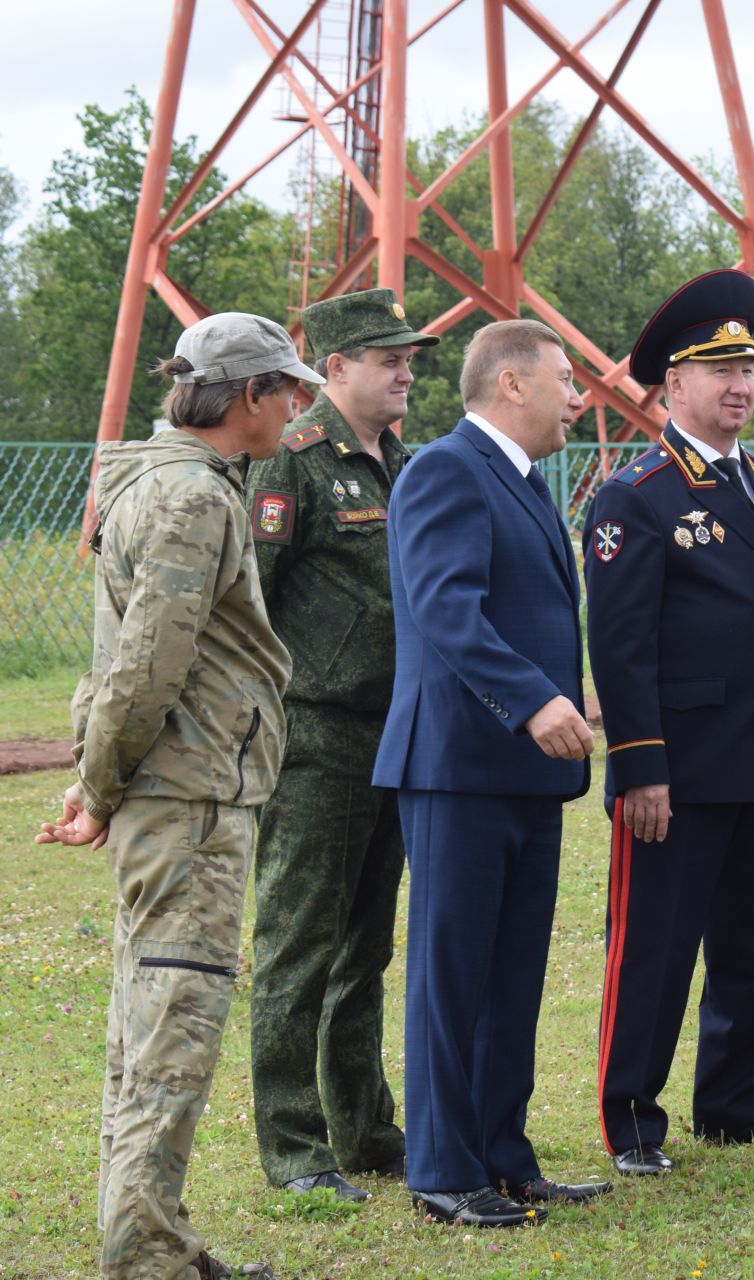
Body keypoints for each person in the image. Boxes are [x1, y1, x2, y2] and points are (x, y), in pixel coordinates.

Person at [39, 313, 318, 1279]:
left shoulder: (153, 482)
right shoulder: (194, 499)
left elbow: (121, 660)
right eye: (290, 389)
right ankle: (148, 1260)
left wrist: (100, 780)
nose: (297, 407)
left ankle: (149, 1242)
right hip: (189, 797)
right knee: (173, 1037)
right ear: (248, 396)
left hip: (174, 790)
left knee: (144, 1033)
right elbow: (147, 664)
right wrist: (100, 782)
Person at [584, 269, 754, 1174]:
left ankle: (735, 1103)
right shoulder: (637, 496)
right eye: (718, 369)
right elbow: (620, 650)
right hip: (680, 770)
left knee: (752, 944)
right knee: (654, 950)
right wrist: (641, 765)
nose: (741, 385)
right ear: (673, 387)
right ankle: (632, 1120)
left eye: (747, 368)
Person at [373, 319, 607, 1226]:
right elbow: (445, 607)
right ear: (512, 385)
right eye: (565, 378)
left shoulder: (527, 484)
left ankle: (503, 1155)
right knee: (452, 974)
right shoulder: (445, 469)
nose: (579, 396)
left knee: (511, 975)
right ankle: (442, 1169)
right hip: (459, 767)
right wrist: (534, 699)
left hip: (525, 772)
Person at [245, 288, 439, 1200]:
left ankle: (363, 1130)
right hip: (315, 738)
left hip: (394, 734)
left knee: (366, 947)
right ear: (334, 369)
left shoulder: (403, 465)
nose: (406, 371)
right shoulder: (294, 464)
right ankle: (293, 1148)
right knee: (298, 946)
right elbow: (246, 600)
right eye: (387, 357)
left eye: (410, 356)